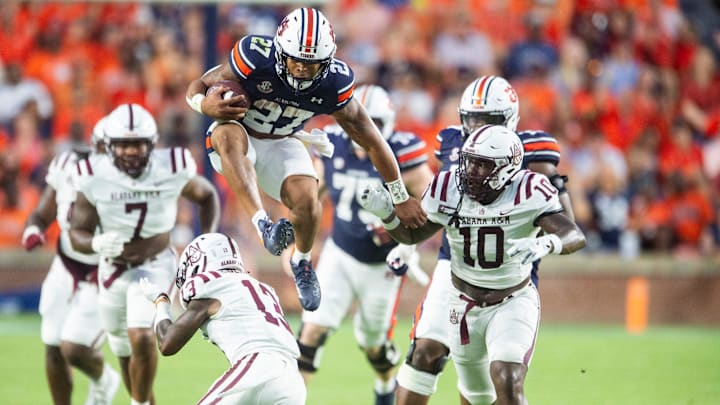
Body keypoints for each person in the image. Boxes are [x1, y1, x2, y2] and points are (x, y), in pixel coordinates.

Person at [185, 7, 426, 312]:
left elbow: (373, 141)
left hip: (282, 141)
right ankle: (263, 226)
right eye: (295, 59)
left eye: (310, 64)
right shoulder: (255, 56)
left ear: (326, 62)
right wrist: (205, 105)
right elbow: (199, 85)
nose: (300, 68)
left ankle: (302, 261)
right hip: (239, 136)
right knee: (226, 133)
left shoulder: (334, 83)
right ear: (280, 51)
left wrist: (400, 196)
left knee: (307, 199)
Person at [361, 124, 586, 405]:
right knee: (478, 397)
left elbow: (573, 233)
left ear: (506, 168)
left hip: (512, 300)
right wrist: (388, 215)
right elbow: (413, 233)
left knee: (507, 377)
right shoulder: (448, 186)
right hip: (462, 302)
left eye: (481, 165)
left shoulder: (529, 189)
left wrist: (546, 243)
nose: (470, 171)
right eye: (469, 161)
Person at [69, 103, 220, 405]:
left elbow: (207, 196)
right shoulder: (93, 174)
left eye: (138, 143)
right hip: (112, 269)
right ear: (109, 146)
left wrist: (207, 240)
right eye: (124, 144)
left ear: (152, 143)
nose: (131, 151)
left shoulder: (171, 166)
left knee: (140, 336)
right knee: (123, 350)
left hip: (156, 264)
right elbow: (77, 233)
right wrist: (95, 244)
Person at [295, 84, 434, 405]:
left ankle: (385, 386)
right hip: (340, 252)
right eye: (359, 120)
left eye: (375, 122)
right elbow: (312, 195)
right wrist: (297, 240)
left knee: (374, 347)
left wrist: (406, 245)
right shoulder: (331, 145)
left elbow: (432, 205)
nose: (364, 130)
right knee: (311, 331)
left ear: (388, 125)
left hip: (382, 263)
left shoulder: (403, 152)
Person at [138, 232, 306, 405]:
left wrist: (161, 302)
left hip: (258, 369)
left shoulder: (213, 285)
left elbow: (167, 343)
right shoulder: (263, 290)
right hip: (293, 382)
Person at [22, 117, 120, 405]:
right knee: (52, 345)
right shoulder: (67, 166)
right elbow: (43, 211)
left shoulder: (131, 181)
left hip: (104, 270)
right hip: (65, 266)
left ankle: (104, 380)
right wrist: (33, 229)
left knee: (74, 348)